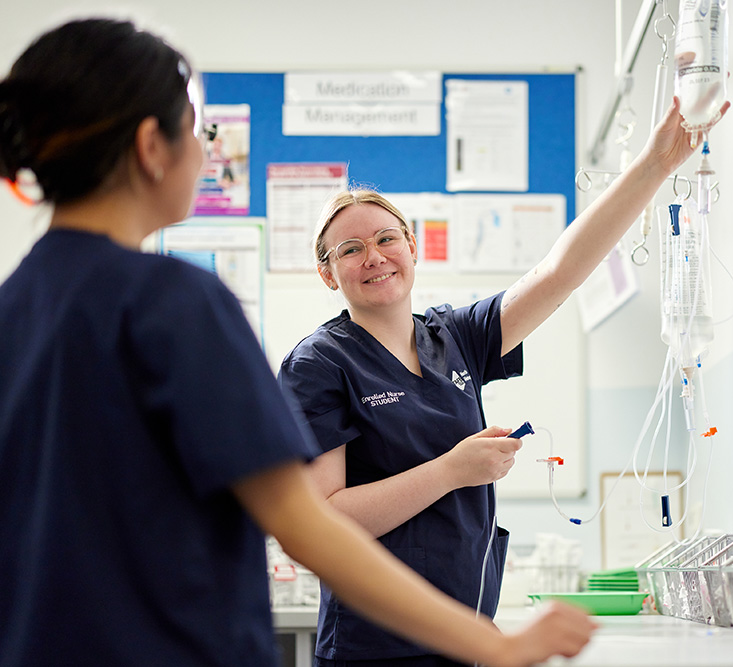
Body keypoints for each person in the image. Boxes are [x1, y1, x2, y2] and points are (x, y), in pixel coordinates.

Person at [0, 17, 597, 667]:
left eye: (387, 239)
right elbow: (308, 524)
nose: (204, 155)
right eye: (198, 134)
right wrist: (497, 644)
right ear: (151, 146)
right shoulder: (175, 303)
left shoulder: (14, 308)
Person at [278, 88, 729, 665]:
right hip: (376, 646)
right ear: (326, 273)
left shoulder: (455, 337)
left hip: (468, 633)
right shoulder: (319, 364)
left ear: (411, 247)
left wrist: (656, 165)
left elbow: (560, 271)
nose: (375, 256)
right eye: (350, 248)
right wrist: (451, 471)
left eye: (387, 238)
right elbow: (324, 521)